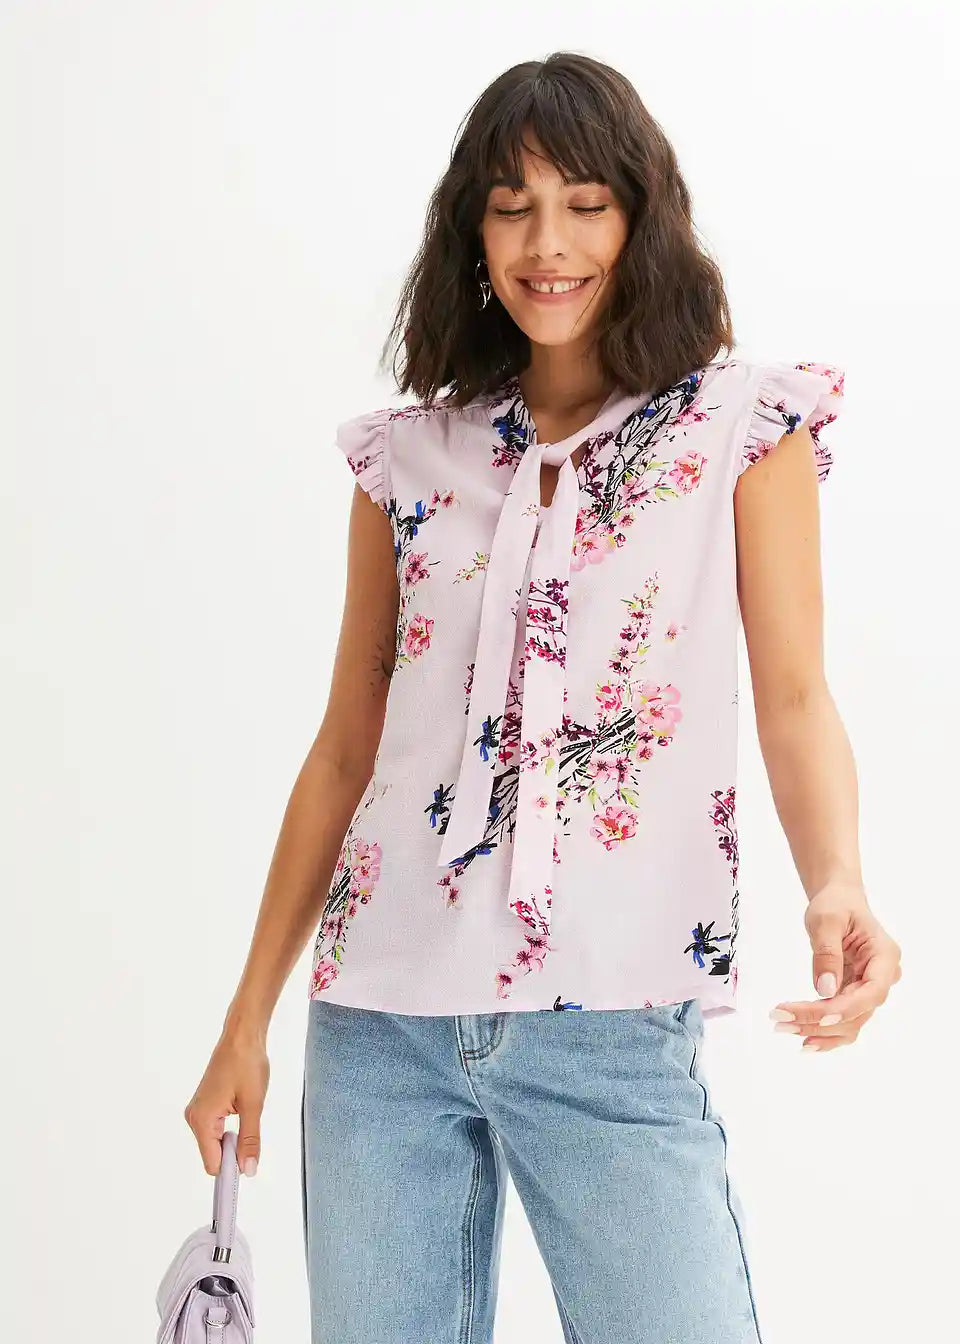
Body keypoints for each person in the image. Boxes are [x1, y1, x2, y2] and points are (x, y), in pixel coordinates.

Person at [184, 51, 902, 1344]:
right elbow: (347, 749)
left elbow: (795, 696)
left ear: (641, 218)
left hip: (613, 1021)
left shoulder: (739, 429)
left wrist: (836, 879)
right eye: (511, 208)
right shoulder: (408, 460)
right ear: (472, 232)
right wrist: (247, 1021)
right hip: (381, 1028)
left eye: (584, 204)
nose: (547, 244)